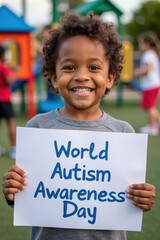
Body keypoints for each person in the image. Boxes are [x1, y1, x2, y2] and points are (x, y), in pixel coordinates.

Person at [2, 12, 155, 240]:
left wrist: (141, 199)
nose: (82, 76)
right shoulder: (38, 128)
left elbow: (128, 200)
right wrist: (12, 192)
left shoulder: (123, 134)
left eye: (94, 68)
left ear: (110, 78)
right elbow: (29, 196)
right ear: (54, 77)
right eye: (69, 67)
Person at [134, 31, 160, 135]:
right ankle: (157, 120)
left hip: (150, 85)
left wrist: (137, 72)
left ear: (147, 44)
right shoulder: (152, 54)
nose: (140, 45)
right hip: (153, 84)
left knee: (149, 107)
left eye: (141, 43)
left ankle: (152, 127)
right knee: (149, 106)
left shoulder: (148, 55)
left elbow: (147, 70)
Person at [0, 45, 18, 159]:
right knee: (11, 123)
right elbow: (8, 81)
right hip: (5, 100)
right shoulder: (3, 67)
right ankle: (13, 149)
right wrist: (16, 72)